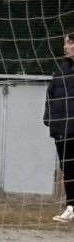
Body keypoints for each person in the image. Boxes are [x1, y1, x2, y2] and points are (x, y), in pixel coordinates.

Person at [44, 33, 74, 224]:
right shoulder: (61, 70)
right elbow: (50, 96)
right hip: (62, 130)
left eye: (70, 43)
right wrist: (49, 119)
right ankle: (71, 207)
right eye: (64, 43)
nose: (65, 46)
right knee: (68, 170)